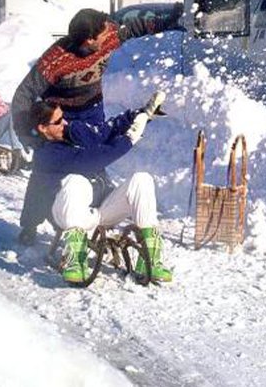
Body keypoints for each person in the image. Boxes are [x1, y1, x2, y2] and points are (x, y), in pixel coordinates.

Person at [12, 7, 178, 242]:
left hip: (91, 109)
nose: (108, 34)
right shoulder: (54, 60)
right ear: (87, 39)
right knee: (48, 170)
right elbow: (23, 95)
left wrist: (166, 23)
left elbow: (133, 28)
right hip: (62, 112)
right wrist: (30, 138)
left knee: (93, 152)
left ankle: (96, 206)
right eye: (101, 35)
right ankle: (30, 224)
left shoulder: (108, 33)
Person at [28, 97, 172, 284]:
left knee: (142, 180)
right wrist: (130, 139)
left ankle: (150, 257)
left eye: (63, 117)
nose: (64, 123)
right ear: (42, 128)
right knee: (76, 181)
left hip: (101, 210)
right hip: (68, 215)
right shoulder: (45, 154)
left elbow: (106, 131)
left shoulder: (73, 131)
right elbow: (92, 159)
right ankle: (75, 259)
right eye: (57, 122)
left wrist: (142, 113)